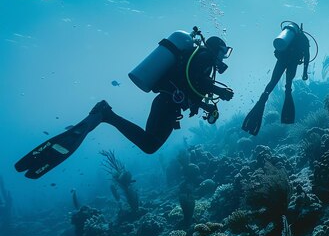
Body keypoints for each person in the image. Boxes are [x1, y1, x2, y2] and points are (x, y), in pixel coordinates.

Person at [15, 27, 234, 179]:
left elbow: (191, 88)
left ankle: (107, 115)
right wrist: (220, 91)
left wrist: (207, 106)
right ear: (217, 50)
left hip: (167, 103)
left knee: (150, 145)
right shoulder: (204, 58)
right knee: (150, 145)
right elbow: (196, 81)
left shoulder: (200, 60)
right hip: (166, 104)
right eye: (223, 53)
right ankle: (107, 115)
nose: (223, 58)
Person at [242, 21, 313, 136]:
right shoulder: (304, 38)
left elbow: (276, 50)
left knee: (270, 85)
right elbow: (307, 56)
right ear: (300, 29)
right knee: (288, 87)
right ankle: (287, 118)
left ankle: (258, 109)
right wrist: (305, 72)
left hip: (281, 61)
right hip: (293, 63)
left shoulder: (286, 35)